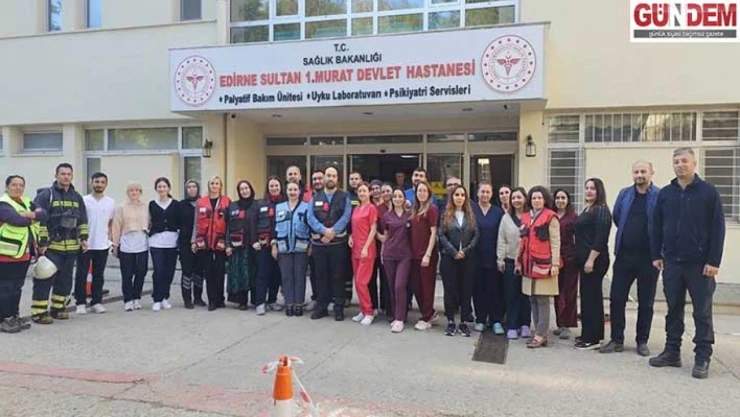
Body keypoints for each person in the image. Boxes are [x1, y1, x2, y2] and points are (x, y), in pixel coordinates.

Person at [649, 147, 725, 379]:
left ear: (694, 163)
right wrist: (656, 254)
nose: (680, 165)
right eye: (676, 161)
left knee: (702, 312)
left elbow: (718, 228)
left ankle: (702, 357)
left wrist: (713, 260)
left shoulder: (708, 192)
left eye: (684, 161)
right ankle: (672, 352)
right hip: (672, 262)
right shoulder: (666, 194)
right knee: (673, 309)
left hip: (700, 264)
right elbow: (655, 225)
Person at [601, 161, 660, 356]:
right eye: (636, 172)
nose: (639, 175)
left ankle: (642, 341)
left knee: (646, 302)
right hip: (624, 256)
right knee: (617, 299)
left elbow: (664, 224)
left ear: (651, 173)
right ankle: (616, 339)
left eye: (643, 171)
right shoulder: (624, 194)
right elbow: (618, 217)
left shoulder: (660, 196)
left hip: (649, 258)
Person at [32, 163, 89, 323]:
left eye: (68, 174)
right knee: (44, 277)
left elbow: (82, 219)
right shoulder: (46, 195)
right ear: (56, 175)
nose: (66, 177)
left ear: (72, 176)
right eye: (62, 174)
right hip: (51, 247)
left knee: (65, 281)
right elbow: (40, 221)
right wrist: (42, 243)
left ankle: (58, 308)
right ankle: (39, 312)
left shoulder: (77, 197)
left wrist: (84, 238)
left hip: (71, 248)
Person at [517, 186, 560, 349]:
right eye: (534, 198)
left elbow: (556, 242)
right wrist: (518, 261)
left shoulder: (550, 216)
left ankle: (541, 334)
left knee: (542, 300)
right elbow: (522, 241)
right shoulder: (525, 216)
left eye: (539, 198)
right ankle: (539, 333)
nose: (536, 201)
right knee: (532, 299)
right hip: (528, 264)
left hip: (544, 264)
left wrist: (555, 263)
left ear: (545, 199)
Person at [0, 175, 44, 333]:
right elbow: (16, 220)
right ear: (7, 187)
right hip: (5, 255)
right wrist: (32, 217)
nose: (18, 188)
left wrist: (28, 214)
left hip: (23, 254)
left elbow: (43, 214)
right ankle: (4, 319)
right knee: (5, 288)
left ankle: (14, 316)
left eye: (21, 185)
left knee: (17, 287)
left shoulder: (26, 201)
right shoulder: (3, 204)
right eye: (14, 185)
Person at [308, 166, 352, 321]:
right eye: (328, 175)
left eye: (333, 176)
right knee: (321, 277)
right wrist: (323, 231)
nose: (330, 178)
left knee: (338, 276)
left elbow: (346, 216)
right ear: (324, 177)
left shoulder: (344, 197)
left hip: (338, 244)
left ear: (337, 179)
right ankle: (322, 307)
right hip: (319, 245)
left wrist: (333, 231)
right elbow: (310, 217)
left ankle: (338, 308)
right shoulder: (315, 197)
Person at [573, 178, 612, 350]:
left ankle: (593, 338)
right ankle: (587, 333)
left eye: (593, 188)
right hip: (584, 260)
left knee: (592, 299)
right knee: (586, 297)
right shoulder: (587, 209)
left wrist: (591, 260)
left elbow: (600, 238)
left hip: (595, 261)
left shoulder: (601, 210)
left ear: (599, 191)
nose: (589, 191)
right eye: (587, 188)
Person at [438, 185, 478, 337]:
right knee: (450, 290)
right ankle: (450, 321)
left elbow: (476, 235)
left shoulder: (471, 215)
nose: (459, 198)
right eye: (457, 195)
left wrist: (465, 251)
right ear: (452, 197)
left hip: (467, 258)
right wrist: (453, 252)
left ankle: (463, 322)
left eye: (462, 195)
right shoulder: (446, 214)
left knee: (465, 290)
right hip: (449, 258)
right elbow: (441, 235)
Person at [74, 172, 115, 315]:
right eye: (97, 182)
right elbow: (78, 221)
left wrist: (110, 240)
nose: (99, 185)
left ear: (106, 184)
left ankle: (96, 302)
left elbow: (111, 222)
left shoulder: (110, 202)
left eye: (102, 182)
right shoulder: (83, 200)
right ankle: (80, 302)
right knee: (81, 274)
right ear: (91, 182)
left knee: (99, 274)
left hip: (102, 244)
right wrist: (81, 239)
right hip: (85, 243)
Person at [192, 176, 231, 311]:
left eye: (217, 183)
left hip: (220, 241)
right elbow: (196, 223)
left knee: (220, 271)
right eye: (212, 183)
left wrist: (228, 243)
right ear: (209, 186)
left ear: (220, 186)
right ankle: (212, 301)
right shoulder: (200, 202)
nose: (214, 186)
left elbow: (229, 224)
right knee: (209, 272)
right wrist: (193, 241)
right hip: (204, 242)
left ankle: (220, 299)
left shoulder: (227, 201)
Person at [497, 187, 531, 340]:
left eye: (519, 197)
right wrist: (500, 259)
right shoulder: (506, 218)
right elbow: (501, 239)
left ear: (524, 199)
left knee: (526, 295)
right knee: (511, 294)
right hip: (510, 260)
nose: (516, 200)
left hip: (528, 261)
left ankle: (525, 324)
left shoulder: (530, 216)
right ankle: (512, 325)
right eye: (514, 198)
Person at [471, 182, 505, 334]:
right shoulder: (471, 210)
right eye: (482, 192)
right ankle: (480, 319)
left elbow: (502, 236)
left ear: (492, 194)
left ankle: (496, 320)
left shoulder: (498, 212)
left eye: (487, 192)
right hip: (475, 257)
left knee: (494, 290)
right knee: (478, 289)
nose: (485, 195)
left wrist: (500, 258)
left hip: (493, 257)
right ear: (478, 193)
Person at [111, 182, 149, 312]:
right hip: (127, 243)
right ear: (127, 193)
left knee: (141, 271)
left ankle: (137, 297)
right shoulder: (121, 207)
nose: (134, 192)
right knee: (127, 273)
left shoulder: (145, 207)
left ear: (140, 192)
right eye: (131, 190)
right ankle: (127, 299)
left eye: (137, 190)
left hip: (142, 242)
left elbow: (150, 223)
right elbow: (116, 226)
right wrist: (115, 244)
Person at [275, 181, 311, 317]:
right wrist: (274, 245)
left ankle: (299, 304)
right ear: (286, 191)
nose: (292, 192)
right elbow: (274, 228)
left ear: (299, 191)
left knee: (300, 276)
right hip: (283, 247)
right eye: (290, 189)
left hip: (302, 246)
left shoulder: (306, 207)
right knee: (286, 277)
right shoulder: (279, 207)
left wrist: (311, 245)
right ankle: (289, 304)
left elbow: (311, 226)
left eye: (295, 189)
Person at [379, 187, 411, 332]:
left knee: (400, 286)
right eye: (395, 196)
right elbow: (385, 236)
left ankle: (400, 318)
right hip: (389, 255)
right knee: (392, 287)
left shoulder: (409, 215)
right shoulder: (386, 216)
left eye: (400, 196)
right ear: (392, 199)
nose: (397, 199)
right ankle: (394, 315)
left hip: (404, 255)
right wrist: (382, 252)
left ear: (404, 199)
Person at [409, 181, 440, 331]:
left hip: (427, 255)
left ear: (429, 193)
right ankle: (430, 313)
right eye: (419, 191)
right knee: (416, 286)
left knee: (427, 287)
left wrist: (428, 254)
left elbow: (434, 233)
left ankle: (426, 318)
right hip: (414, 254)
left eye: (424, 191)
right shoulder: (415, 210)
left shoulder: (432, 209)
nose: (421, 193)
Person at [252, 176, 284, 315]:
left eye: (276, 186)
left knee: (276, 274)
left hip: (280, 244)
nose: (274, 188)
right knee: (263, 274)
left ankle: (272, 300)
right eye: (271, 186)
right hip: (263, 245)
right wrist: (254, 241)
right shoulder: (260, 204)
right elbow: (253, 224)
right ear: (267, 188)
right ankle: (260, 302)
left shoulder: (285, 203)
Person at [148, 177, 180, 312]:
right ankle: (157, 298)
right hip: (156, 241)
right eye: (159, 187)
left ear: (168, 188)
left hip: (171, 242)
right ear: (156, 189)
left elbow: (179, 221)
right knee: (158, 271)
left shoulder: (175, 204)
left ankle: (165, 297)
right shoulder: (152, 204)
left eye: (164, 186)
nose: (162, 189)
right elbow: (148, 221)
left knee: (169, 271)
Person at [349, 182, 378, 326]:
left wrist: (366, 247)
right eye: (360, 191)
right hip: (355, 249)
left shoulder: (371, 208)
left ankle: (369, 311)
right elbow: (355, 227)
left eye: (364, 191)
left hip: (366, 250)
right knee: (357, 282)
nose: (362, 193)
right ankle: (362, 309)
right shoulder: (356, 208)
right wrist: (351, 236)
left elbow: (373, 229)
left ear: (369, 193)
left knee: (362, 281)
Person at [226, 180, 256, 311]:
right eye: (242, 189)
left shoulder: (257, 205)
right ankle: (242, 301)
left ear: (251, 189)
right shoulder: (233, 206)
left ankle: (256, 300)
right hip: (238, 246)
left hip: (254, 246)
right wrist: (228, 244)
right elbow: (227, 226)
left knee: (254, 273)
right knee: (240, 274)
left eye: (246, 188)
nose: (244, 191)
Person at [552, 188, 578, 340]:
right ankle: (560, 323)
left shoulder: (573, 217)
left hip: (570, 259)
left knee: (569, 292)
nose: (560, 201)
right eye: (557, 198)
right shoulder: (551, 215)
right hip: (555, 259)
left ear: (568, 200)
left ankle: (567, 325)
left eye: (563, 198)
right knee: (557, 292)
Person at [178, 180, 205, 309]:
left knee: (199, 271)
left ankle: (198, 297)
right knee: (187, 271)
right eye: (189, 187)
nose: (192, 189)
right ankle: (187, 299)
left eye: (194, 186)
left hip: (201, 241)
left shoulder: (203, 203)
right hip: (185, 242)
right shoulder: (181, 205)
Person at [305, 170, 325, 312]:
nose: (317, 181)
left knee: (330, 273)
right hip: (314, 241)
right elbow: (308, 219)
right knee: (315, 272)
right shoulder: (310, 198)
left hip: (331, 240)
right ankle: (316, 298)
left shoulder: (332, 197)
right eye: (314, 179)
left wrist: (326, 233)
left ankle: (330, 299)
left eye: (319, 178)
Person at [369, 179, 389, 314]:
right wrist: (378, 236)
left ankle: (385, 306)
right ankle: (373, 306)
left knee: (385, 278)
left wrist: (384, 237)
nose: (376, 191)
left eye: (378, 188)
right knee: (371, 278)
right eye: (373, 188)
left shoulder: (387, 206)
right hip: (372, 247)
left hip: (386, 248)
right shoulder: (369, 206)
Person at [345, 171, 363, 306]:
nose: (354, 181)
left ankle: (366, 300)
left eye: (356, 178)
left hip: (362, 237)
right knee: (347, 270)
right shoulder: (345, 196)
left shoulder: (364, 195)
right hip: (346, 236)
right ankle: (347, 296)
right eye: (351, 179)